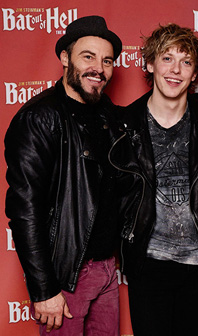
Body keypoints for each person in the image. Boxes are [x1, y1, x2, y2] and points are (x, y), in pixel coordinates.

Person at [4, 16, 124, 335]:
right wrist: (44, 289)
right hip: (66, 273)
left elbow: (153, 113)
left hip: (107, 270)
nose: (98, 67)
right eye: (88, 56)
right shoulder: (39, 118)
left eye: (107, 60)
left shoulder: (107, 114)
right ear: (65, 58)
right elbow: (24, 209)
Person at [108, 23, 198, 336]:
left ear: (195, 73)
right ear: (149, 63)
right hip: (147, 263)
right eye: (167, 58)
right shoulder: (122, 125)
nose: (176, 70)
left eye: (186, 62)